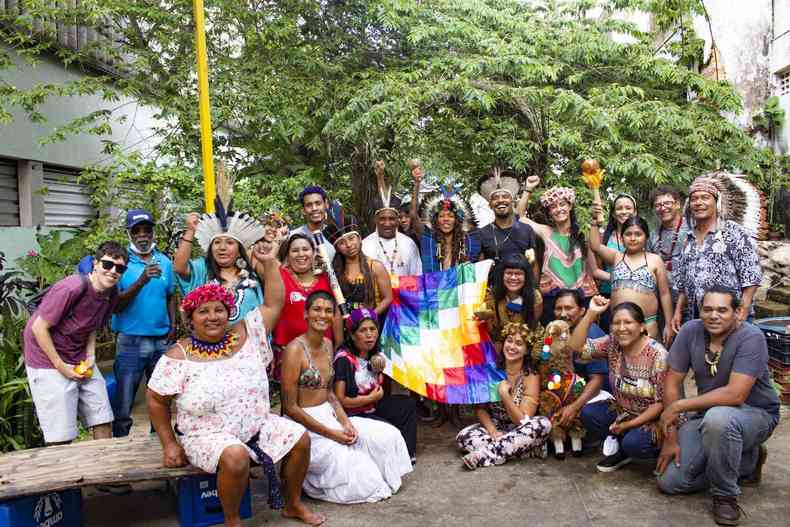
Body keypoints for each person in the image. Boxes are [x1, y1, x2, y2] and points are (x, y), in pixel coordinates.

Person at [147, 244, 325, 527]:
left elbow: (274, 303)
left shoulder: (248, 332)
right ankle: (233, 521)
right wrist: (169, 444)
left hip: (255, 425)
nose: (213, 316)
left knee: (299, 438)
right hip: (206, 435)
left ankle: (292, 504)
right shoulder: (177, 356)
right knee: (235, 455)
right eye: (203, 311)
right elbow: (156, 400)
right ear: (190, 319)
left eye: (219, 310)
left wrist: (269, 263)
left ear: (229, 313)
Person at [656, 286, 779, 526]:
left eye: (722, 310)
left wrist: (680, 406)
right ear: (699, 310)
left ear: (737, 312)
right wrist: (671, 438)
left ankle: (725, 495)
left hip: (756, 414)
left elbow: (735, 394)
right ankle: (745, 461)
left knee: (719, 420)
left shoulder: (751, 337)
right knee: (670, 482)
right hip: (709, 415)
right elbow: (671, 382)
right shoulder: (691, 331)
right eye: (708, 309)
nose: (714, 316)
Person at [281, 291, 412, 504]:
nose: (322, 315)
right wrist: (333, 434)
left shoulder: (327, 345)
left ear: (334, 316)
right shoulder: (294, 350)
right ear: (305, 314)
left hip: (330, 415)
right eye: (317, 309)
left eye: (328, 311)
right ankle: (303, 481)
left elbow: (330, 394)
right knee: (367, 480)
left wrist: (345, 423)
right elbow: (290, 408)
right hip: (305, 425)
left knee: (389, 436)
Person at [23, 241, 126, 444]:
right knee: (62, 435)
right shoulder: (71, 287)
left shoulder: (111, 293)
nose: (113, 271)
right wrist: (60, 366)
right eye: (107, 265)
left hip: (78, 356)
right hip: (47, 360)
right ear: (95, 264)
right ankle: (65, 474)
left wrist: (91, 356)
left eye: (119, 268)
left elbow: (91, 325)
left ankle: (103, 470)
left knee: (103, 418)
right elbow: (38, 328)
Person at [569, 296, 668, 472]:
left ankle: (657, 451)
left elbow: (661, 403)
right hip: (623, 413)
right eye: (616, 323)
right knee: (589, 413)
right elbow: (576, 347)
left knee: (635, 443)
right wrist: (591, 313)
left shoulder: (657, 354)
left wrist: (629, 426)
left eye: (628, 322)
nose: (621, 328)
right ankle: (622, 450)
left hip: (653, 419)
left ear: (642, 326)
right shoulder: (612, 344)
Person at [110, 210, 176, 438]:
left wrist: (173, 325)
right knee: (124, 401)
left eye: (146, 230)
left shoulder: (165, 262)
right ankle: (118, 448)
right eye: (136, 231)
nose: (142, 235)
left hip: (161, 341)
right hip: (130, 341)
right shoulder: (120, 263)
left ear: (152, 232)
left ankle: (157, 446)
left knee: (160, 399)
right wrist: (142, 280)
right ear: (128, 233)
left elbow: (170, 295)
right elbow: (115, 305)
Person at [455, 321, 552, 469]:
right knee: (463, 437)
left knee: (543, 424)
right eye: (509, 341)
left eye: (519, 343)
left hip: (521, 429)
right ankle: (524, 450)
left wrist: (504, 396)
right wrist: (493, 432)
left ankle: (482, 456)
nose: (512, 347)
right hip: (498, 426)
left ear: (526, 350)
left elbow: (522, 421)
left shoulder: (530, 375)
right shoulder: (492, 369)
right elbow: (480, 408)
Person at [672, 176, 762, 329]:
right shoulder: (688, 238)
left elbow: (751, 273)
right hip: (699, 316)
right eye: (694, 199)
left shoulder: (732, 231)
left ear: (716, 202)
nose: (699, 203)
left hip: (730, 315)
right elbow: (682, 282)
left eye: (705, 198)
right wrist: (678, 311)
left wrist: (744, 308)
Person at [333, 307, 418, 461]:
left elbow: (375, 387)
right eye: (362, 330)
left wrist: (378, 371)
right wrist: (371, 398)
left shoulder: (373, 355)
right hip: (353, 414)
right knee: (389, 432)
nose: (369, 334)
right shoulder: (344, 360)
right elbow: (340, 400)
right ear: (352, 335)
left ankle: (406, 454)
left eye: (372, 329)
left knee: (408, 405)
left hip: (371, 407)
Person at [518, 179, 598, 324]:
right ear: (549, 212)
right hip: (552, 299)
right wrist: (528, 189)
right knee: (553, 338)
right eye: (553, 206)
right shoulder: (546, 232)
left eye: (562, 204)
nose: (558, 209)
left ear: (570, 206)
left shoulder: (583, 233)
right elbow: (520, 217)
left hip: (581, 298)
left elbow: (595, 258)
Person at [589, 214, 674, 344]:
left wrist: (668, 323)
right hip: (619, 326)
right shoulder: (616, 257)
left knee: (646, 361)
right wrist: (594, 222)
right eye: (628, 234)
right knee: (619, 362)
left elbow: (664, 294)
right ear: (622, 238)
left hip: (647, 325)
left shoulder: (655, 260)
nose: (633, 238)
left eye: (638, 234)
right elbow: (595, 246)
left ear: (646, 237)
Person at [174, 209, 264, 323]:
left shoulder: (251, 276)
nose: (222, 247)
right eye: (217, 242)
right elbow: (179, 267)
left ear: (239, 251)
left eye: (230, 242)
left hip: (248, 340)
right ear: (210, 249)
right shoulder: (202, 270)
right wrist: (191, 230)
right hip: (209, 339)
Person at [270, 234, 339, 379]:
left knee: (320, 398)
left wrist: (338, 346)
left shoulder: (327, 278)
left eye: (305, 249)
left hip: (322, 353)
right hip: (286, 355)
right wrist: (275, 244)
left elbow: (336, 314)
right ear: (287, 255)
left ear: (314, 253)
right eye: (295, 250)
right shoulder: (279, 276)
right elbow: (259, 259)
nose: (301, 254)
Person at [552, 289, 611, 432]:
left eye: (568, 308)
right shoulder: (557, 332)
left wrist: (574, 407)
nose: (563, 314)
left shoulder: (592, 333)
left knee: (587, 413)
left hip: (599, 397)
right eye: (558, 308)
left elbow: (597, 381)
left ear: (582, 311)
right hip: (573, 391)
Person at [409, 166, 480, 272]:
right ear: (435, 220)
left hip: (459, 286)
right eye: (441, 216)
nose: (446, 219)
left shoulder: (468, 240)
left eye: (450, 216)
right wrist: (417, 184)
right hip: (433, 286)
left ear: (457, 221)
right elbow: (413, 215)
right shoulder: (428, 238)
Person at [476, 168, 537, 270]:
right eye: (495, 198)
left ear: (512, 201)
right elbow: (480, 269)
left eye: (505, 196)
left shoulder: (526, 230)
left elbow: (534, 264)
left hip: (523, 285)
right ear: (490, 205)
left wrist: (535, 286)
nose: (500, 200)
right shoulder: (482, 233)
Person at [478, 255, 542, 351]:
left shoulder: (535, 297)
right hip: (501, 344)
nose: (513, 277)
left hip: (528, 343)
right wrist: (486, 320)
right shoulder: (492, 296)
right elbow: (493, 332)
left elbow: (533, 326)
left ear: (526, 277)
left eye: (518, 274)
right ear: (502, 275)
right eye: (509, 273)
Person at [330, 217, 393, 315]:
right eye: (342, 243)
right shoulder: (335, 272)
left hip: (372, 326)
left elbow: (388, 298)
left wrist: (369, 317)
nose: (349, 245)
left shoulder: (375, 266)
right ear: (337, 248)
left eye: (351, 238)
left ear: (359, 239)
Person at [647, 186, 689, 307]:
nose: (663, 208)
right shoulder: (652, 236)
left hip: (691, 301)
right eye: (658, 205)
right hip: (664, 302)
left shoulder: (692, 228)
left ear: (677, 204)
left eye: (667, 203)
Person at [361, 195, 422, 277]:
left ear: (397, 220)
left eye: (391, 219)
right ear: (375, 220)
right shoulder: (365, 245)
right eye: (382, 219)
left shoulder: (409, 244)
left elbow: (417, 276)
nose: (387, 223)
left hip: (406, 289)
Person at [594, 193, 638, 300]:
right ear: (613, 213)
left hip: (636, 293)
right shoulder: (603, 236)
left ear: (635, 212)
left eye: (628, 208)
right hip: (608, 293)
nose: (624, 212)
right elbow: (597, 268)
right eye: (619, 208)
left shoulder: (643, 236)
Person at [291, 185, 336, 263]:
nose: (314, 208)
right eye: (309, 205)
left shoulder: (335, 235)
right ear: (303, 210)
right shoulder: (293, 236)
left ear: (326, 205)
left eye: (318, 203)